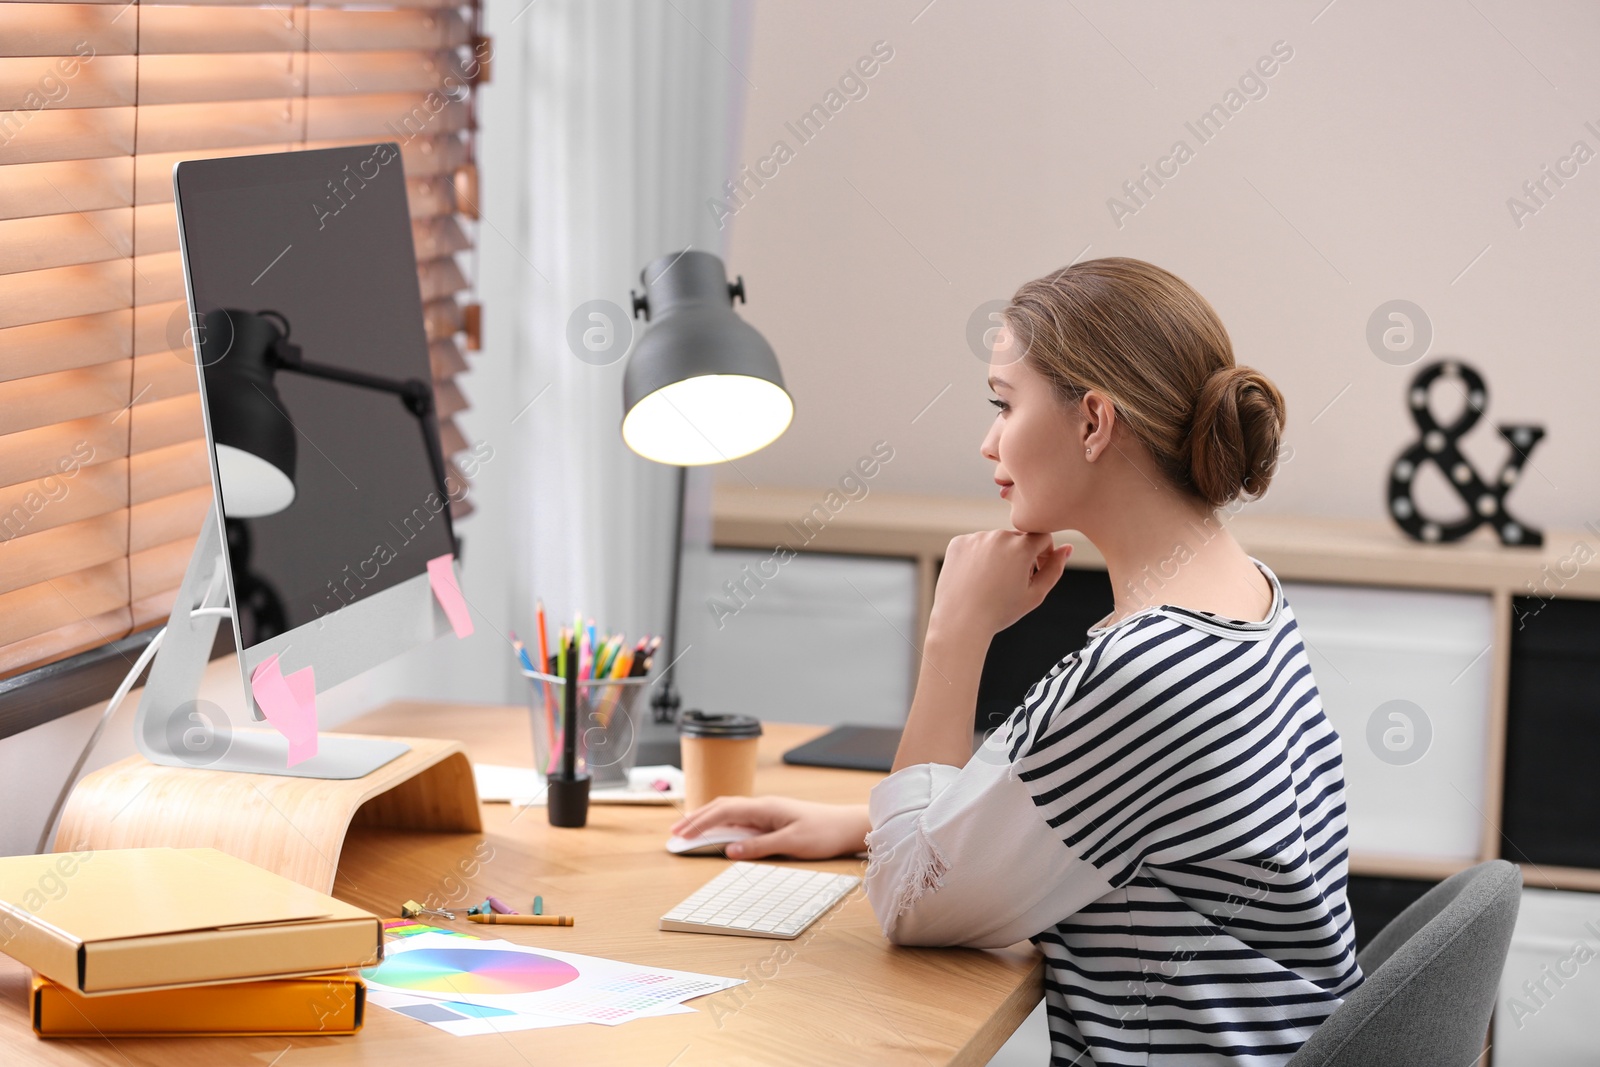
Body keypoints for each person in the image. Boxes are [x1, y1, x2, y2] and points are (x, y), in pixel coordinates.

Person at [671, 257, 1362, 1066]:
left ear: (1093, 422)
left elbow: (906, 901)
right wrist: (865, 824)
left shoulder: (1146, 669)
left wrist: (955, 632)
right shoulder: (1248, 596)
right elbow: (1126, 818)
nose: (988, 440)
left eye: (1004, 403)